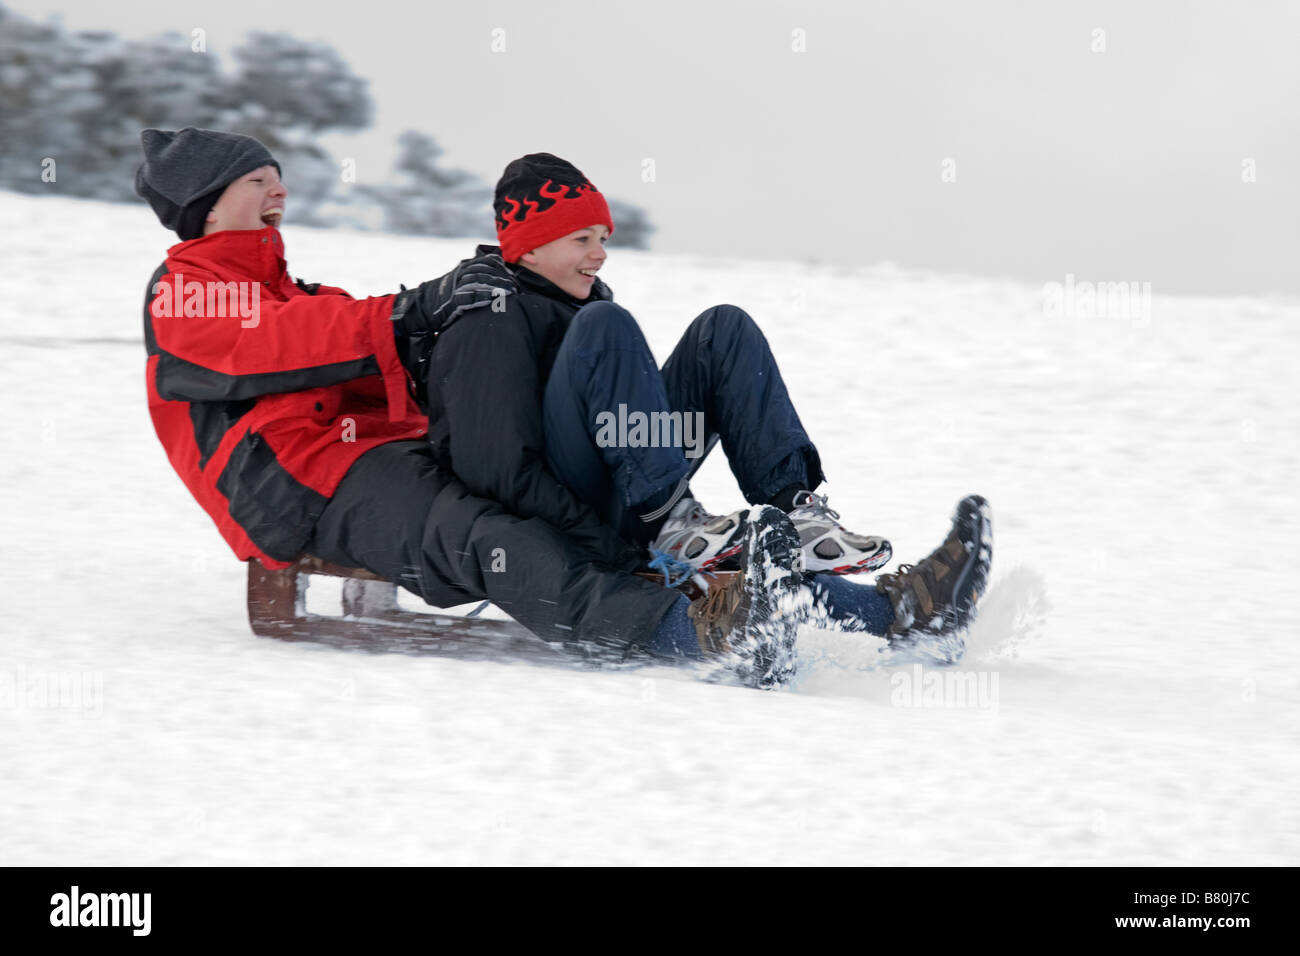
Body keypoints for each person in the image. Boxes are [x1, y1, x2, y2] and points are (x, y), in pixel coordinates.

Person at [408, 152, 993, 654]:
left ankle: (806, 518)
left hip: (628, 479)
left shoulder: (576, 303)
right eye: (581, 239)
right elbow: (495, 470)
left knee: (723, 330)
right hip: (571, 509)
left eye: (603, 239)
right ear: (529, 249)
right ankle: (671, 519)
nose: (600, 254)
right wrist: (607, 539)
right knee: (608, 325)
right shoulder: (488, 318)